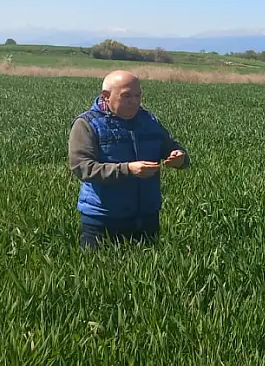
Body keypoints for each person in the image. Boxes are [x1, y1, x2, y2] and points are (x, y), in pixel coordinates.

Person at [68, 70, 190, 249]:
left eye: (138, 95)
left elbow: (172, 147)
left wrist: (179, 157)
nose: (134, 101)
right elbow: (82, 167)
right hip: (103, 220)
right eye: (127, 96)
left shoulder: (149, 121)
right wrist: (128, 169)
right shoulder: (87, 124)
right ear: (106, 96)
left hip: (147, 218)